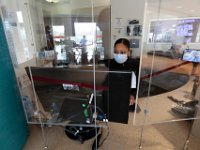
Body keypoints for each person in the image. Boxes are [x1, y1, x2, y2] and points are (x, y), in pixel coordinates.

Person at [109, 38, 140, 112]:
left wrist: (133, 95)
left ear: (129, 52)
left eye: (122, 52)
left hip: (129, 102)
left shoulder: (136, 64)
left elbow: (140, 84)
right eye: (116, 52)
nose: (118, 55)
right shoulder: (109, 64)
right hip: (112, 101)